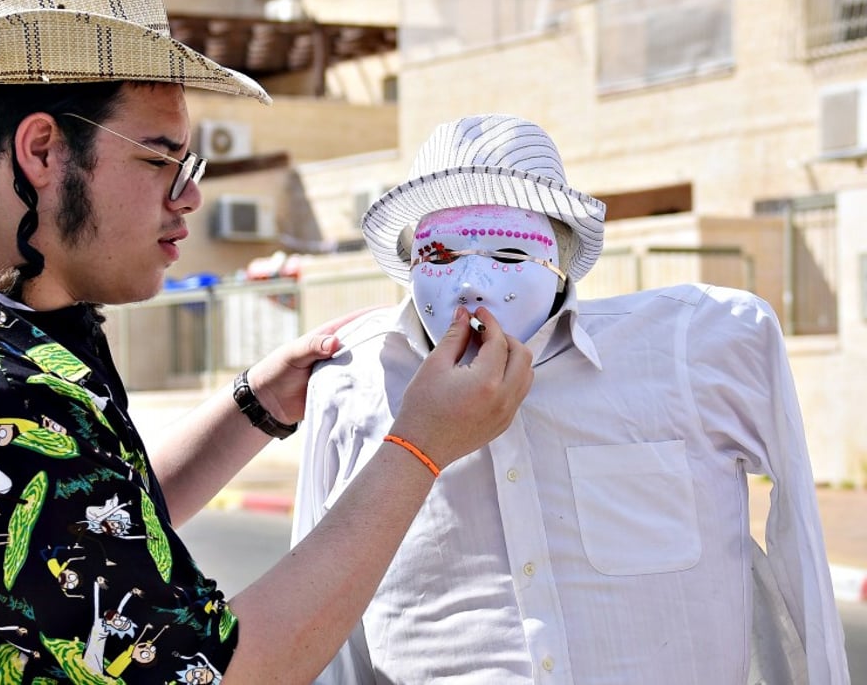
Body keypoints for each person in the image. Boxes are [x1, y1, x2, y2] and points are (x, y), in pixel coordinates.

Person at [0, 0, 534, 685]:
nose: (188, 197)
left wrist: (254, 406)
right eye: (159, 161)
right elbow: (228, 673)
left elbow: (86, 530)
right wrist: (420, 446)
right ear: (43, 151)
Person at [292, 114, 851, 684]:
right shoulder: (351, 379)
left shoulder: (697, 344)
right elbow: (319, 629)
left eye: (509, 253)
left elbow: (800, 552)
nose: (471, 284)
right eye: (439, 256)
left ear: (558, 263)